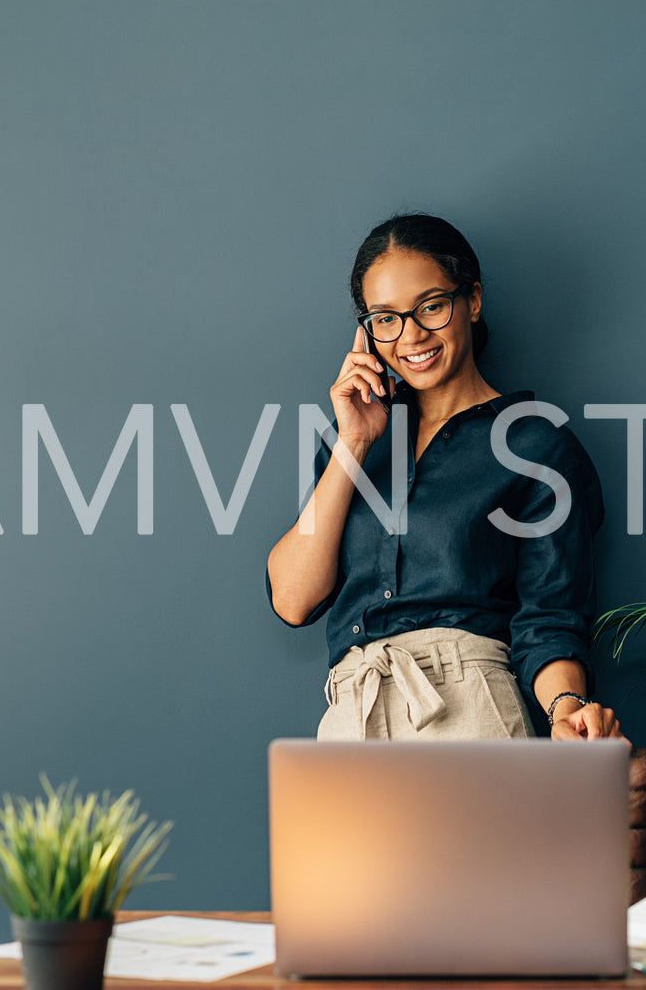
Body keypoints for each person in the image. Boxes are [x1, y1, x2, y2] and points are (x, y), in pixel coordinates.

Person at [266, 213, 624, 742]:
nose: (410, 336)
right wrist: (354, 442)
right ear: (366, 331)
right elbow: (293, 600)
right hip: (352, 713)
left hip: (470, 708)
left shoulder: (537, 446)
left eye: (431, 306)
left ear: (472, 300)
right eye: (385, 319)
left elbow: (550, 621)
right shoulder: (356, 439)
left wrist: (566, 708)